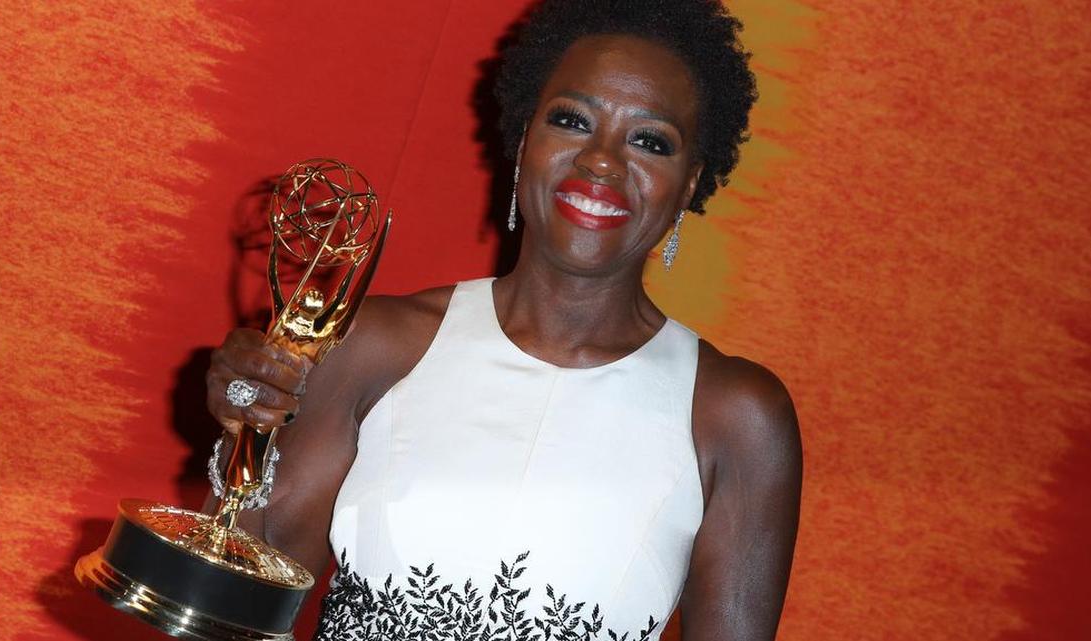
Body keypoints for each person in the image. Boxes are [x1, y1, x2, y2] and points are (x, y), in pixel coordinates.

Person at [206, 1, 801, 639]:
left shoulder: (735, 415)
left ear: (688, 186)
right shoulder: (376, 345)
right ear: (524, 142)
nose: (601, 160)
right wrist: (249, 431)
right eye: (573, 120)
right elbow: (239, 605)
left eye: (649, 140)